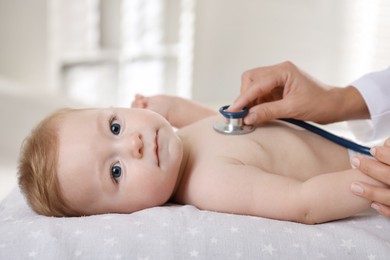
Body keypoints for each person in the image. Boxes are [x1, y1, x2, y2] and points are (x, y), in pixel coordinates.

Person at [18, 93, 387, 224]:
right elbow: (302, 202)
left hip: (354, 143)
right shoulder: (211, 184)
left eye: (115, 126)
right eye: (116, 171)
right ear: (125, 215)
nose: (134, 144)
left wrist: (169, 106)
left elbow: (219, 122)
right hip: (366, 167)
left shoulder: (183, 140)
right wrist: (375, 181)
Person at [228, 61, 390, 217]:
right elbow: (301, 202)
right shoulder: (209, 179)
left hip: (367, 165)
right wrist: (377, 178)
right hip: (360, 171)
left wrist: (378, 177)